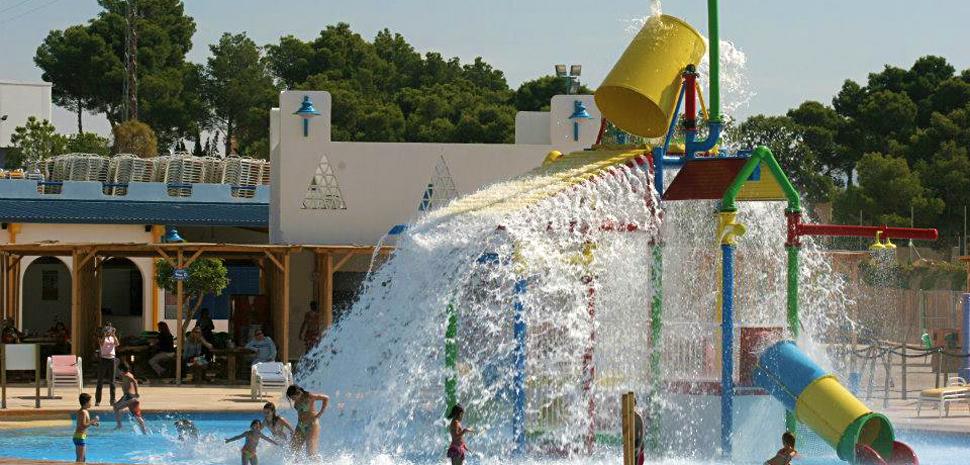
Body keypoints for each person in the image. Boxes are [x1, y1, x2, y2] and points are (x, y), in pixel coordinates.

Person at [286, 385, 329, 457]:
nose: (292, 399)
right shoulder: (296, 400)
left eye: (293, 397)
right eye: (291, 397)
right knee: (293, 450)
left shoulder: (309, 396)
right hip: (300, 425)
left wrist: (320, 414)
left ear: (299, 393)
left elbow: (326, 398)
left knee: (310, 453)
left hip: (311, 425)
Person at [113, 362, 147, 434]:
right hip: (132, 398)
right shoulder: (129, 375)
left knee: (115, 407)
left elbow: (134, 381)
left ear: (122, 370)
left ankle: (119, 425)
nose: (118, 372)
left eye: (119, 370)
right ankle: (144, 432)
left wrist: (137, 392)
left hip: (128, 396)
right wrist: (119, 383)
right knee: (137, 416)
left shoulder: (125, 375)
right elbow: (128, 383)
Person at [95, 325, 119, 406]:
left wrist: (114, 335)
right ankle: (98, 400)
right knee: (100, 380)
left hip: (111, 359)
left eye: (110, 331)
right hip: (104, 359)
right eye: (108, 331)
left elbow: (117, 344)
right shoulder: (102, 338)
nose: (109, 333)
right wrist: (104, 335)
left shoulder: (112, 338)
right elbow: (101, 344)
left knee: (112, 381)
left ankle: (112, 400)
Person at [74, 393, 100, 462]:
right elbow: (83, 425)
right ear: (86, 402)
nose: (91, 403)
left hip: (79, 436)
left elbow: (87, 423)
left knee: (83, 459)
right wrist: (92, 421)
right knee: (80, 459)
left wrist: (94, 423)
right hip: (80, 437)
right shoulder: (82, 412)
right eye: (90, 401)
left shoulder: (85, 411)